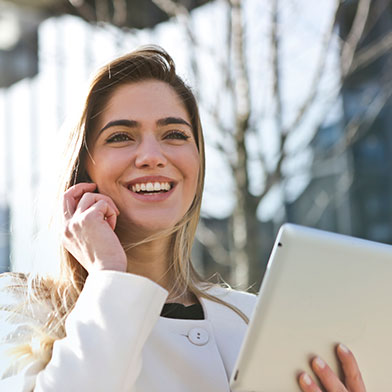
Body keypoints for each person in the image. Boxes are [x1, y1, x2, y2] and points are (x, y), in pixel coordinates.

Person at [0, 46, 366, 392]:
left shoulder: (255, 321)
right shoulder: (18, 311)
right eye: (121, 136)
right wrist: (109, 275)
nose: (152, 156)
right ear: (82, 168)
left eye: (174, 134)